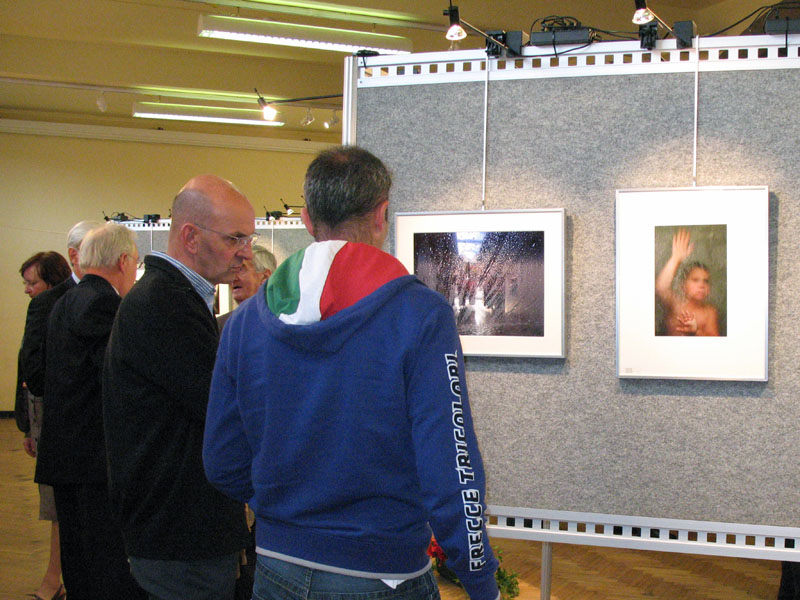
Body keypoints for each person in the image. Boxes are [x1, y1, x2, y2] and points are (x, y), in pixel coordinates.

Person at [203, 145, 500, 600]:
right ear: (381, 215)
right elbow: (451, 464)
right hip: (383, 569)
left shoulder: (244, 323)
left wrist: (287, 513)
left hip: (278, 565)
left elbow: (222, 460)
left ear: (307, 219)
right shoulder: (420, 315)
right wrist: (479, 577)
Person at [103, 175, 254, 600]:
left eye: (248, 238)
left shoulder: (172, 297)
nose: (245, 252)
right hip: (179, 534)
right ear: (190, 236)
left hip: (180, 529)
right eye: (235, 238)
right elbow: (222, 406)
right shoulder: (163, 303)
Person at [34, 222, 143, 600]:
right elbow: (115, 380)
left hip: (64, 454)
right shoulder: (104, 303)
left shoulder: (65, 301)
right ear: (124, 260)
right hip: (93, 458)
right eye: (135, 263)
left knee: (78, 560)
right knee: (105, 563)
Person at [18, 222, 99, 600]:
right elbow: (31, 373)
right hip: (64, 431)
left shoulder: (114, 298)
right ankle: (57, 579)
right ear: (74, 255)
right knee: (62, 513)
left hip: (96, 436)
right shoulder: (48, 304)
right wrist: (29, 425)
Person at [15, 251, 71, 600]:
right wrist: (27, 426)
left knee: (57, 505)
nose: (27, 289)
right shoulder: (44, 311)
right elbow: (26, 370)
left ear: (51, 283)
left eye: (32, 283)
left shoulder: (55, 312)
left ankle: (54, 578)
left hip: (59, 422)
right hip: (45, 420)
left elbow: (33, 373)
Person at [655, 228, 720, 336]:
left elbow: (716, 339)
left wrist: (696, 331)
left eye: (706, 281)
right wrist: (676, 259)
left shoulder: (709, 312)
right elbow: (661, 287)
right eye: (695, 280)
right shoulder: (676, 304)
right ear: (683, 285)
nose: (702, 285)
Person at [218, 244, 276, 330]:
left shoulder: (282, 321)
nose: (233, 278)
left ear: (265, 277)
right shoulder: (221, 325)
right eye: (232, 271)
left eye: (240, 269)